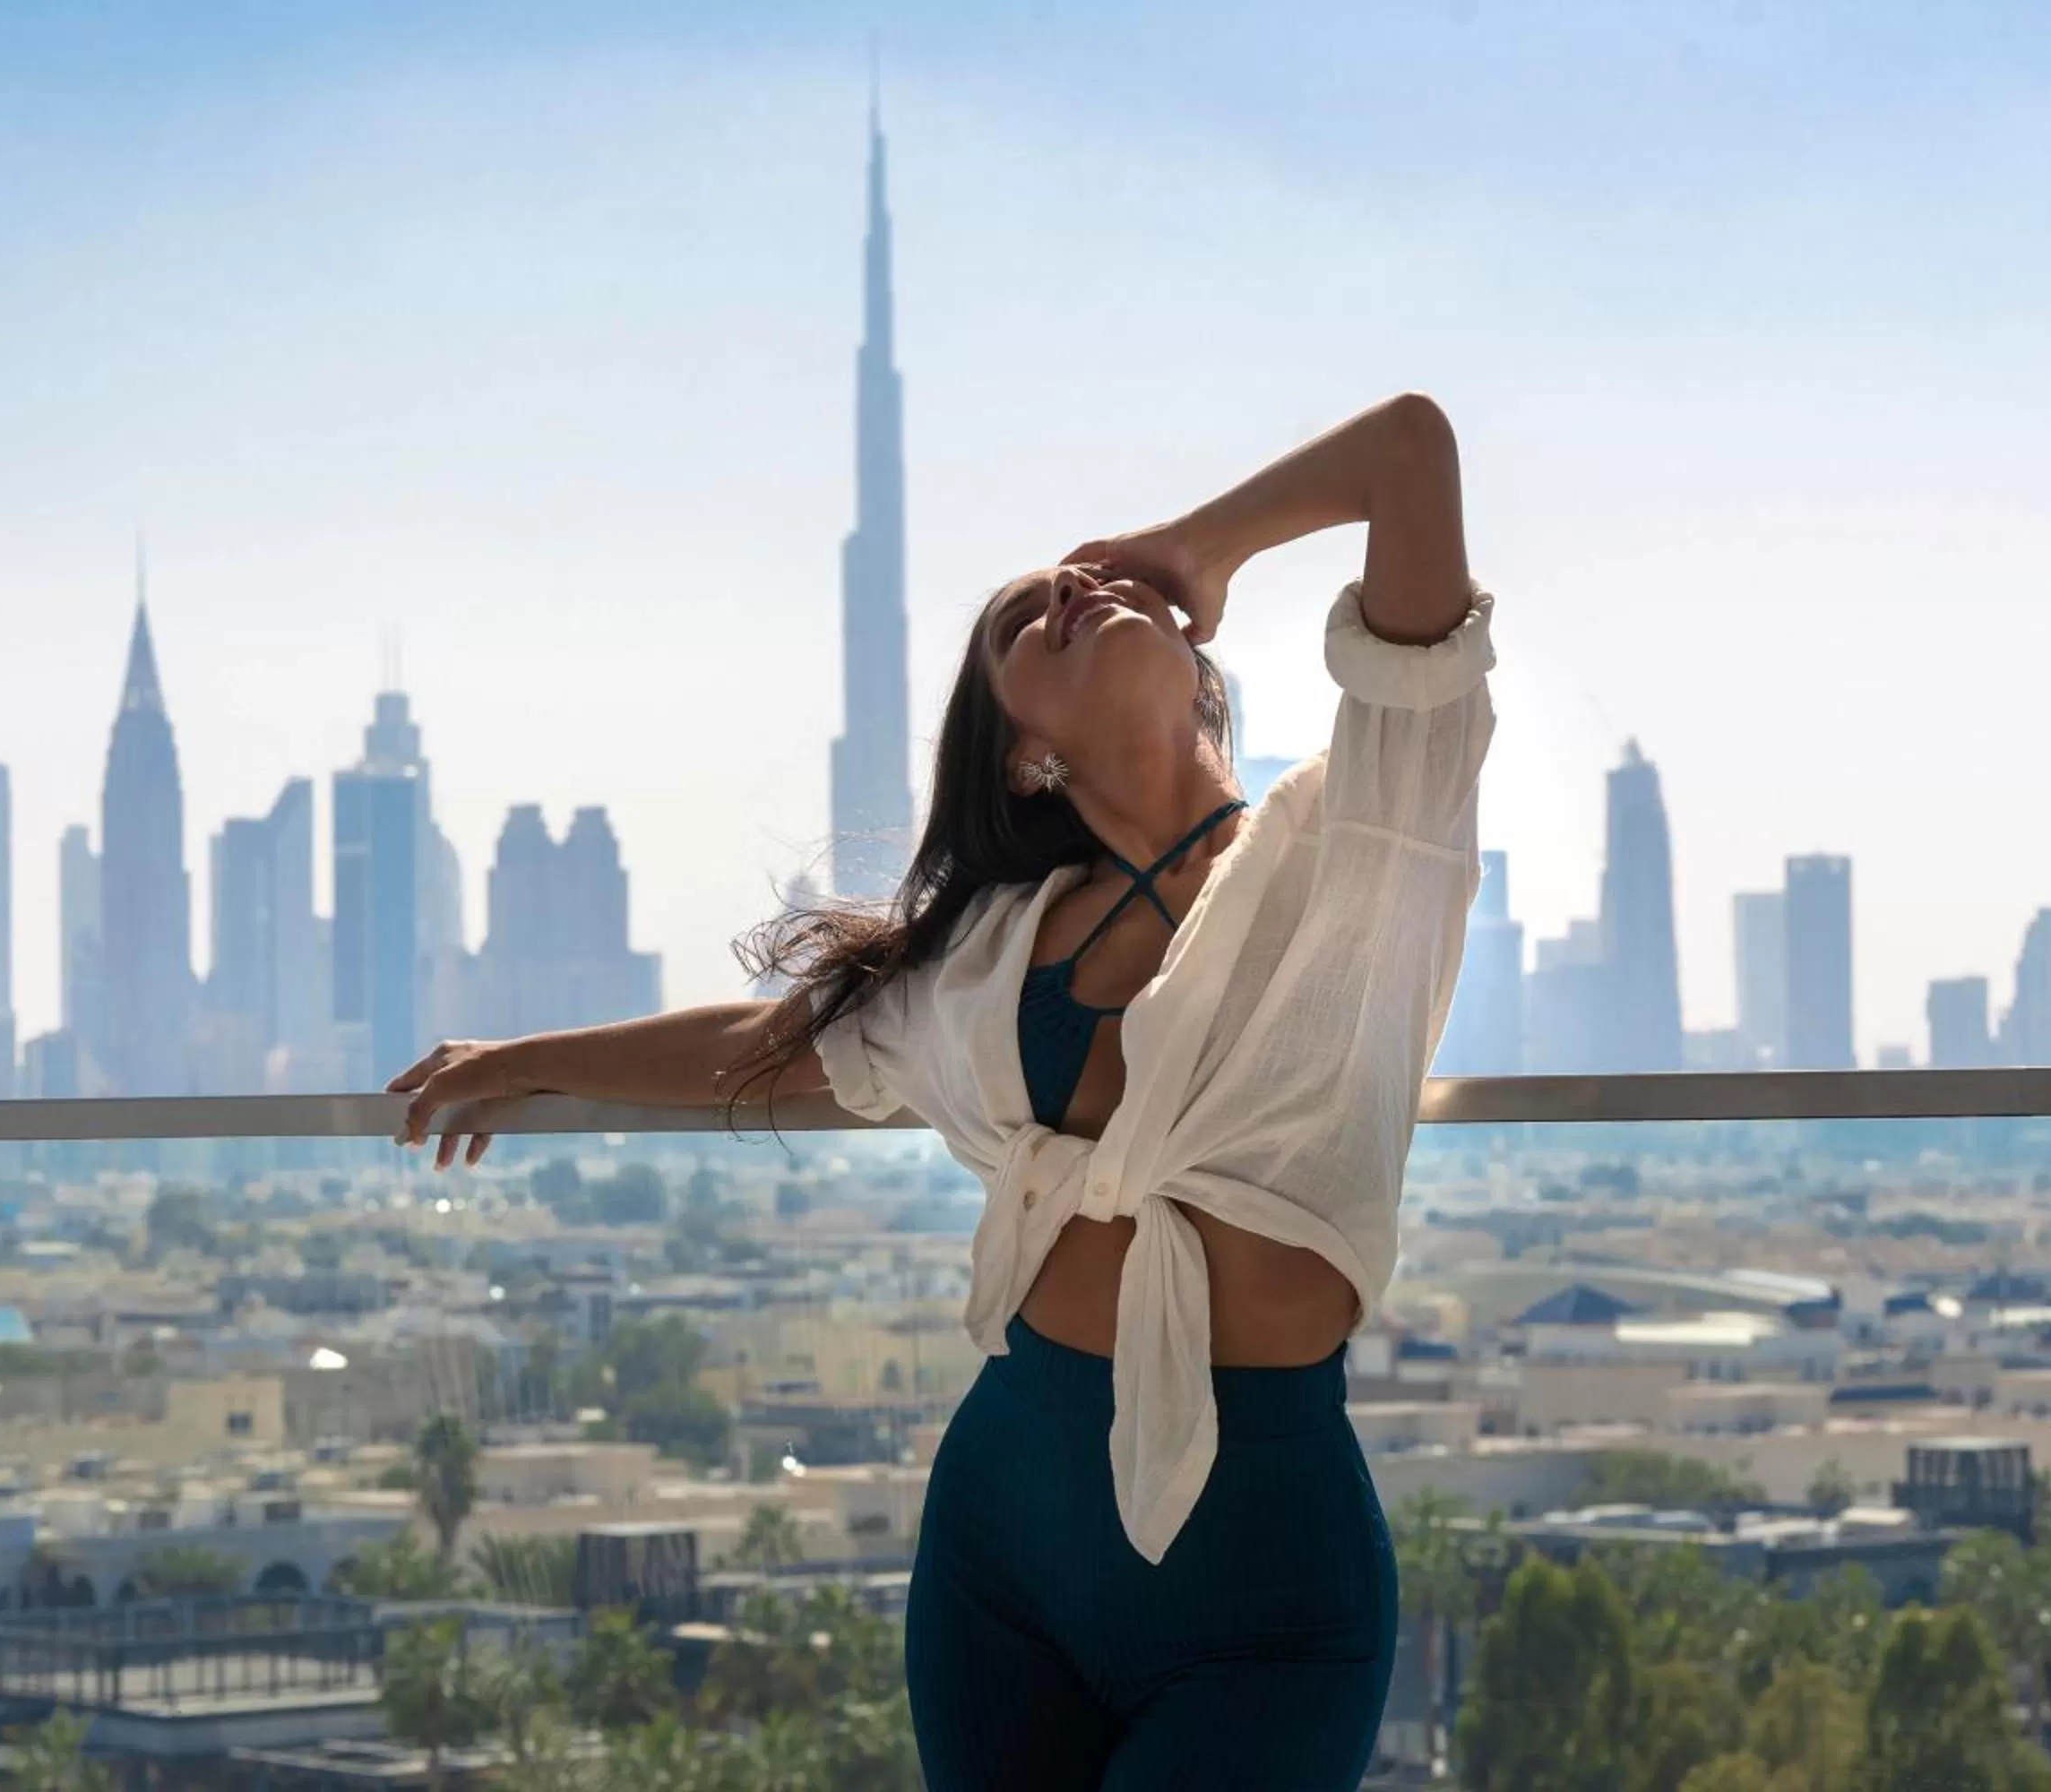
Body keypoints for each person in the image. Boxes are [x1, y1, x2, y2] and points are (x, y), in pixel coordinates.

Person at [389, 391, 1494, 1789]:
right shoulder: (991, 951)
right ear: (1024, 749)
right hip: (1005, 1553)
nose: (1077, 593)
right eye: (1031, 620)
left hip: (1268, 1590)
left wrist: (1196, 547)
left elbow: (1408, 452)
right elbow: (781, 1047)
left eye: (1092, 587)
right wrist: (521, 1063)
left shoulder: (1368, 843)